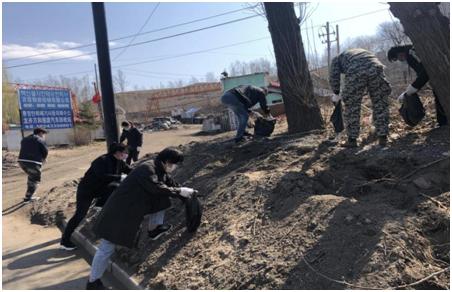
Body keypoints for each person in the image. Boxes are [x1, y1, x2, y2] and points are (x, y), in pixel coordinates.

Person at [85, 148, 196, 289]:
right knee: (107, 247)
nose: (175, 167)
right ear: (167, 161)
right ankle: (93, 282)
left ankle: (154, 228)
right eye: (175, 164)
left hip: (131, 208)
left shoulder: (159, 168)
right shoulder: (147, 169)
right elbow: (156, 187)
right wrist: (180, 192)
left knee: (162, 198)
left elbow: (169, 184)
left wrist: (186, 192)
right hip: (118, 211)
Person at [60, 143, 132, 251]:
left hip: (101, 190)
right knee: (80, 215)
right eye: (125, 153)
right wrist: (120, 177)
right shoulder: (102, 160)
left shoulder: (120, 162)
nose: (127, 155)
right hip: (87, 191)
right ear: (117, 152)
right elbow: (102, 176)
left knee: (116, 187)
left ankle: (100, 203)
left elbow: (129, 171)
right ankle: (65, 241)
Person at [329, 48, 392, 148]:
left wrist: (336, 93)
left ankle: (352, 140)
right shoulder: (358, 52)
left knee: (352, 105)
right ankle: (383, 137)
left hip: (356, 69)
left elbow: (334, 76)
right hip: (376, 66)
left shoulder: (336, 59)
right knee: (380, 102)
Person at [387, 44, 448, 127]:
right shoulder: (411, 52)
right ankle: (443, 122)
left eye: (398, 58)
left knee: (439, 96)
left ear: (399, 52)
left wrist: (411, 89)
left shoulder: (410, 54)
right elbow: (421, 72)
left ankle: (443, 122)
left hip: (442, 75)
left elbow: (425, 73)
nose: (400, 60)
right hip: (440, 75)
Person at [18, 127, 48, 203]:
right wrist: (44, 158)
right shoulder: (40, 139)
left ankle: (30, 193)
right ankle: (28, 198)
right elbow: (45, 150)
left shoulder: (25, 139)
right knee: (35, 179)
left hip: (21, 161)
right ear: (41, 133)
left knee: (32, 177)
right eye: (44, 134)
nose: (44, 136)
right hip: (33, 162)